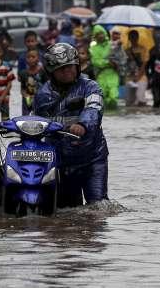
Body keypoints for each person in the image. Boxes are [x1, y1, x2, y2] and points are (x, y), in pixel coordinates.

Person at [34, 43, 108, 207]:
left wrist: (82, 124)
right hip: (61, 162)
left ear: (77, 66)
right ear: (51, 72)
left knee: (98, 207)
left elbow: (94, 109)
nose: (67, 71)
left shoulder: (90, 87)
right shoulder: (42, 95)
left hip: (92, 159)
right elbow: (34, 121)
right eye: (62, 69)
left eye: (70, 67)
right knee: (66, 214)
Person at [89, 25, 120, 109]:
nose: (100, 35)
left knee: (114, 96)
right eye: (98, 34)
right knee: (103, 98)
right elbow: (96, 61)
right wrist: (107, 62)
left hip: (113, 74)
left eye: (101, 33)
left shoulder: (112, 46)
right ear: (95, 36)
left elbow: (119, 58)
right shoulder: (93, 48)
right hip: (101, 75)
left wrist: (115, 62)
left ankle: (114, 117)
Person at [18, 49, 47, 115]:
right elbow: (22, 88)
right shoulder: (23, 73)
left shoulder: (43, 72)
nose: (31, 59)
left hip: (40, 99)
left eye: (33, 57)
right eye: (28, 57)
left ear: (38, 58)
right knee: (26, 118)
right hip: (27, 100)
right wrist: (26, 96)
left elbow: (47, 86)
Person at [126, 30, 150, 106]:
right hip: (129, 77)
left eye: (135, 37)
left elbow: (144, 64)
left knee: (140, 98)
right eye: (131, 37)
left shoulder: (143, 49)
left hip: (142, 76)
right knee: (129, 101)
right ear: (129, 38)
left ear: (138, 37)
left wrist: (138, 76)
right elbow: (125, 65)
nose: (133, 39)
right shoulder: (126, 51)